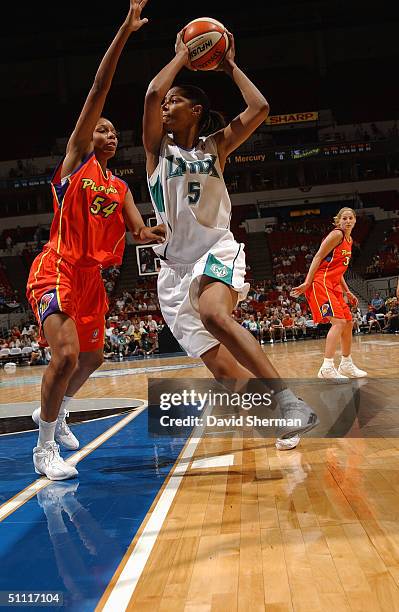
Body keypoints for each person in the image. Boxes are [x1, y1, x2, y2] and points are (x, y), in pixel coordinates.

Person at [142, 28, 318, 451]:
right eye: (167, 102)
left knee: (216, 316)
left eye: (175, 101)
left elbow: (260, 107)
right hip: (172, 273)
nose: (166, 105)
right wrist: (181, 57)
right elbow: (150, 93)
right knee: (223, 371)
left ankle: (288, 399)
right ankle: (281, 418)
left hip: (214, 249)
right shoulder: (156, 151)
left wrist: (229, 66)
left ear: (197, 110)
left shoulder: (215, 147)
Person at [26, 0, 165, 480]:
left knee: (94, 356)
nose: (106, 132)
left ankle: (56, 410)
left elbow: (139, 231)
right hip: (57, 268)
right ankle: (44, 449)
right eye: (99, 128)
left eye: (110, 131)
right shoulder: (73, 169)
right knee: (63, 355)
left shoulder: (120, 186)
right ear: (86, 138)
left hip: (91, 279)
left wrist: (162, 231)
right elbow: (98, 89)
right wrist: (125, 32)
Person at [291, 208, 367, 379]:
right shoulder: (337, 235)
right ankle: (327, 367)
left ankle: (346, 364)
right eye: (344, 218)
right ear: (338, 221)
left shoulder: (349, 240)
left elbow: (338, 270)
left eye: (351, 218)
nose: (348, 221)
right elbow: (318, 257)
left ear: (355, 220)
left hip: (334, 284)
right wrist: (308, 282)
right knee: (339, 323)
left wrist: (348, 291)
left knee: (348, 322)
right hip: (321, 282)